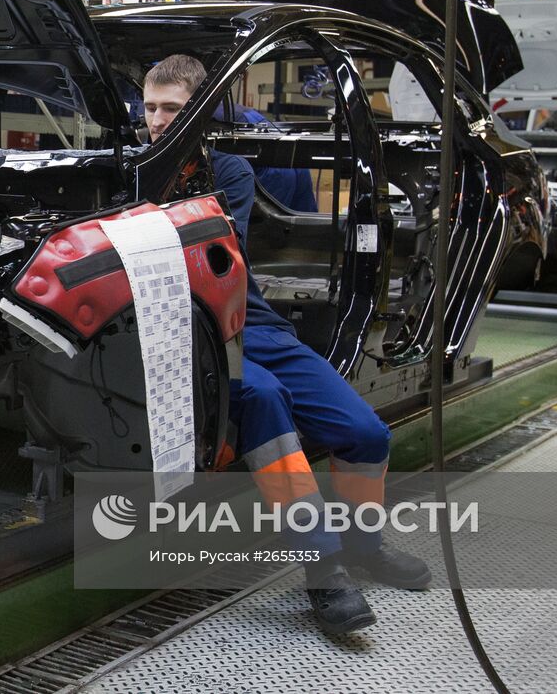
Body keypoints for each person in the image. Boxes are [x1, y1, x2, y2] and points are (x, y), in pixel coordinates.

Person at [143, 54, 431, 634]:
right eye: (149, 107)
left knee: (365, 432)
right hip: (171, 329)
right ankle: (323, 570)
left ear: (201, 112)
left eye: (172, 108)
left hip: (251, 321)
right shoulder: (125, 172)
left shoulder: (229, 173)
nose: (156, 120)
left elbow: (216, 261)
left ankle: (363, 546)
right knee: (265, 401)